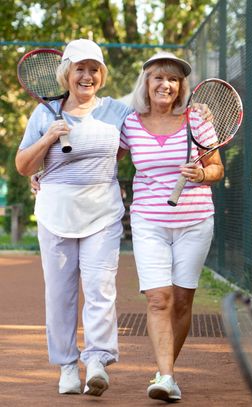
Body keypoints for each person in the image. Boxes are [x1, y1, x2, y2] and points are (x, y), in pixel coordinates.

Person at [16, 39, 132, 397]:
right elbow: (23, 166)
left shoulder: (117, 110)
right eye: (80, 68)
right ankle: (67, 365)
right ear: (66, 72)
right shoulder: (44, 113)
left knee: (100, 289)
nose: (87, 76)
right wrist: (47, 138)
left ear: (102, 74)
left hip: (103, 212)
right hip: (55, 213)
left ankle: (96, 361)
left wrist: (199, 111)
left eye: (94, 69)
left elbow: (149, 127)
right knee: (60, 294)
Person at [117, 52, 223, 402]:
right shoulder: (129, 123)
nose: (166, 84)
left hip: (195, 221)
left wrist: (202, 173)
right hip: (149, 221)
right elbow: (100, 153)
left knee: (181, 301)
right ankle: (166, 376)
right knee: (158, 300)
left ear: (181, 88)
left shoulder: (198, 120)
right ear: (146, 83)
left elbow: (217, 168)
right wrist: (45, 172)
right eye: (159, 78)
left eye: (173, 80)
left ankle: (165, 372)